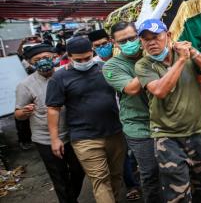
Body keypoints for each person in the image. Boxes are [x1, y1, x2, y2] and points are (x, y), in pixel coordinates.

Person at [135, 18, 201, 203]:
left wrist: (194, 53)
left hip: (199, 132)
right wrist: (182, 59)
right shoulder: (143, 65)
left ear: (168, 36)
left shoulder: (187, 55)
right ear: (141, 42)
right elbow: (159, 90)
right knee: (178, 195)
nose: (151, 42)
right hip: (167, 137)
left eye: (156, 36)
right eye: (146, 38)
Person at [46, 36, 126, 203]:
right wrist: (54, 139)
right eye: (78, 60)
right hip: (84, 138)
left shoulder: (106, 68)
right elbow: (53, 109)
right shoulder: (59, 78)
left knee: (116, 175)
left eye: (87, 58)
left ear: (92, 52)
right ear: (69, 57)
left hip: (115, 133)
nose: (84, 62)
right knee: (100, 180)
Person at [15, 44, 85, 203]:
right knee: (59, 177)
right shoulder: (25, 85)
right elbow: (17, 114)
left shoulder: (65, 74)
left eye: (46, 57)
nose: (43, 62)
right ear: (30, 63)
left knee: (79, 170)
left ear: (54, 57)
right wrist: (24, 112)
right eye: (37, 60)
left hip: (73, 134)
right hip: (45, 140)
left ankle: (70, 198)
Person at [103, 21, 163, 202]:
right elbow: (131, 88)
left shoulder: (156, 52)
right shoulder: (111, 66)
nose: (128, 43)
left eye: (132, 38)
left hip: (167, 121)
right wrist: (151, 60)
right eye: (122, 41)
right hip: (139, 126)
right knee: (150, 173)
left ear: (139, 36)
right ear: (114, 43)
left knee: (175, 170)